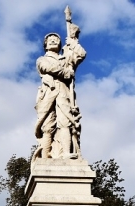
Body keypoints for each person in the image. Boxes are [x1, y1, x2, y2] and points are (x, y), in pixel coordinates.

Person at [33, 26, 86, 159]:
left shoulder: (66, 59)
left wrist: (73, 43)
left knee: (65, 122)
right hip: (48, 94)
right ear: (45, 45)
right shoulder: (41, 59)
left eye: (56, 39)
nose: (53, 40)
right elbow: (48, 67)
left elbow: (81, 55)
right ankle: (45, 158)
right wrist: (66, 72)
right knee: (47, 126)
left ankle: (66, 153)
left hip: (63, 92)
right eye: (50, 39)